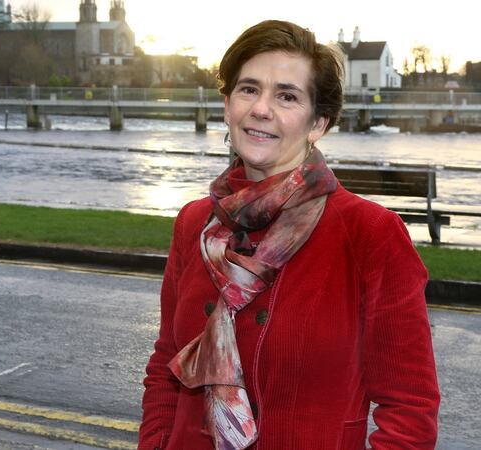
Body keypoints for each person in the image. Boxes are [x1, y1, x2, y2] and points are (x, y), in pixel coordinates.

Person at [138, 20, 439, 450]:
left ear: (318, 123)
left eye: (286, 96)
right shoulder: (194, 223)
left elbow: (410, 408)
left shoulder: (369, 234)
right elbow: (165, 367)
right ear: (227, 106)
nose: (262, 108)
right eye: (249, 89)